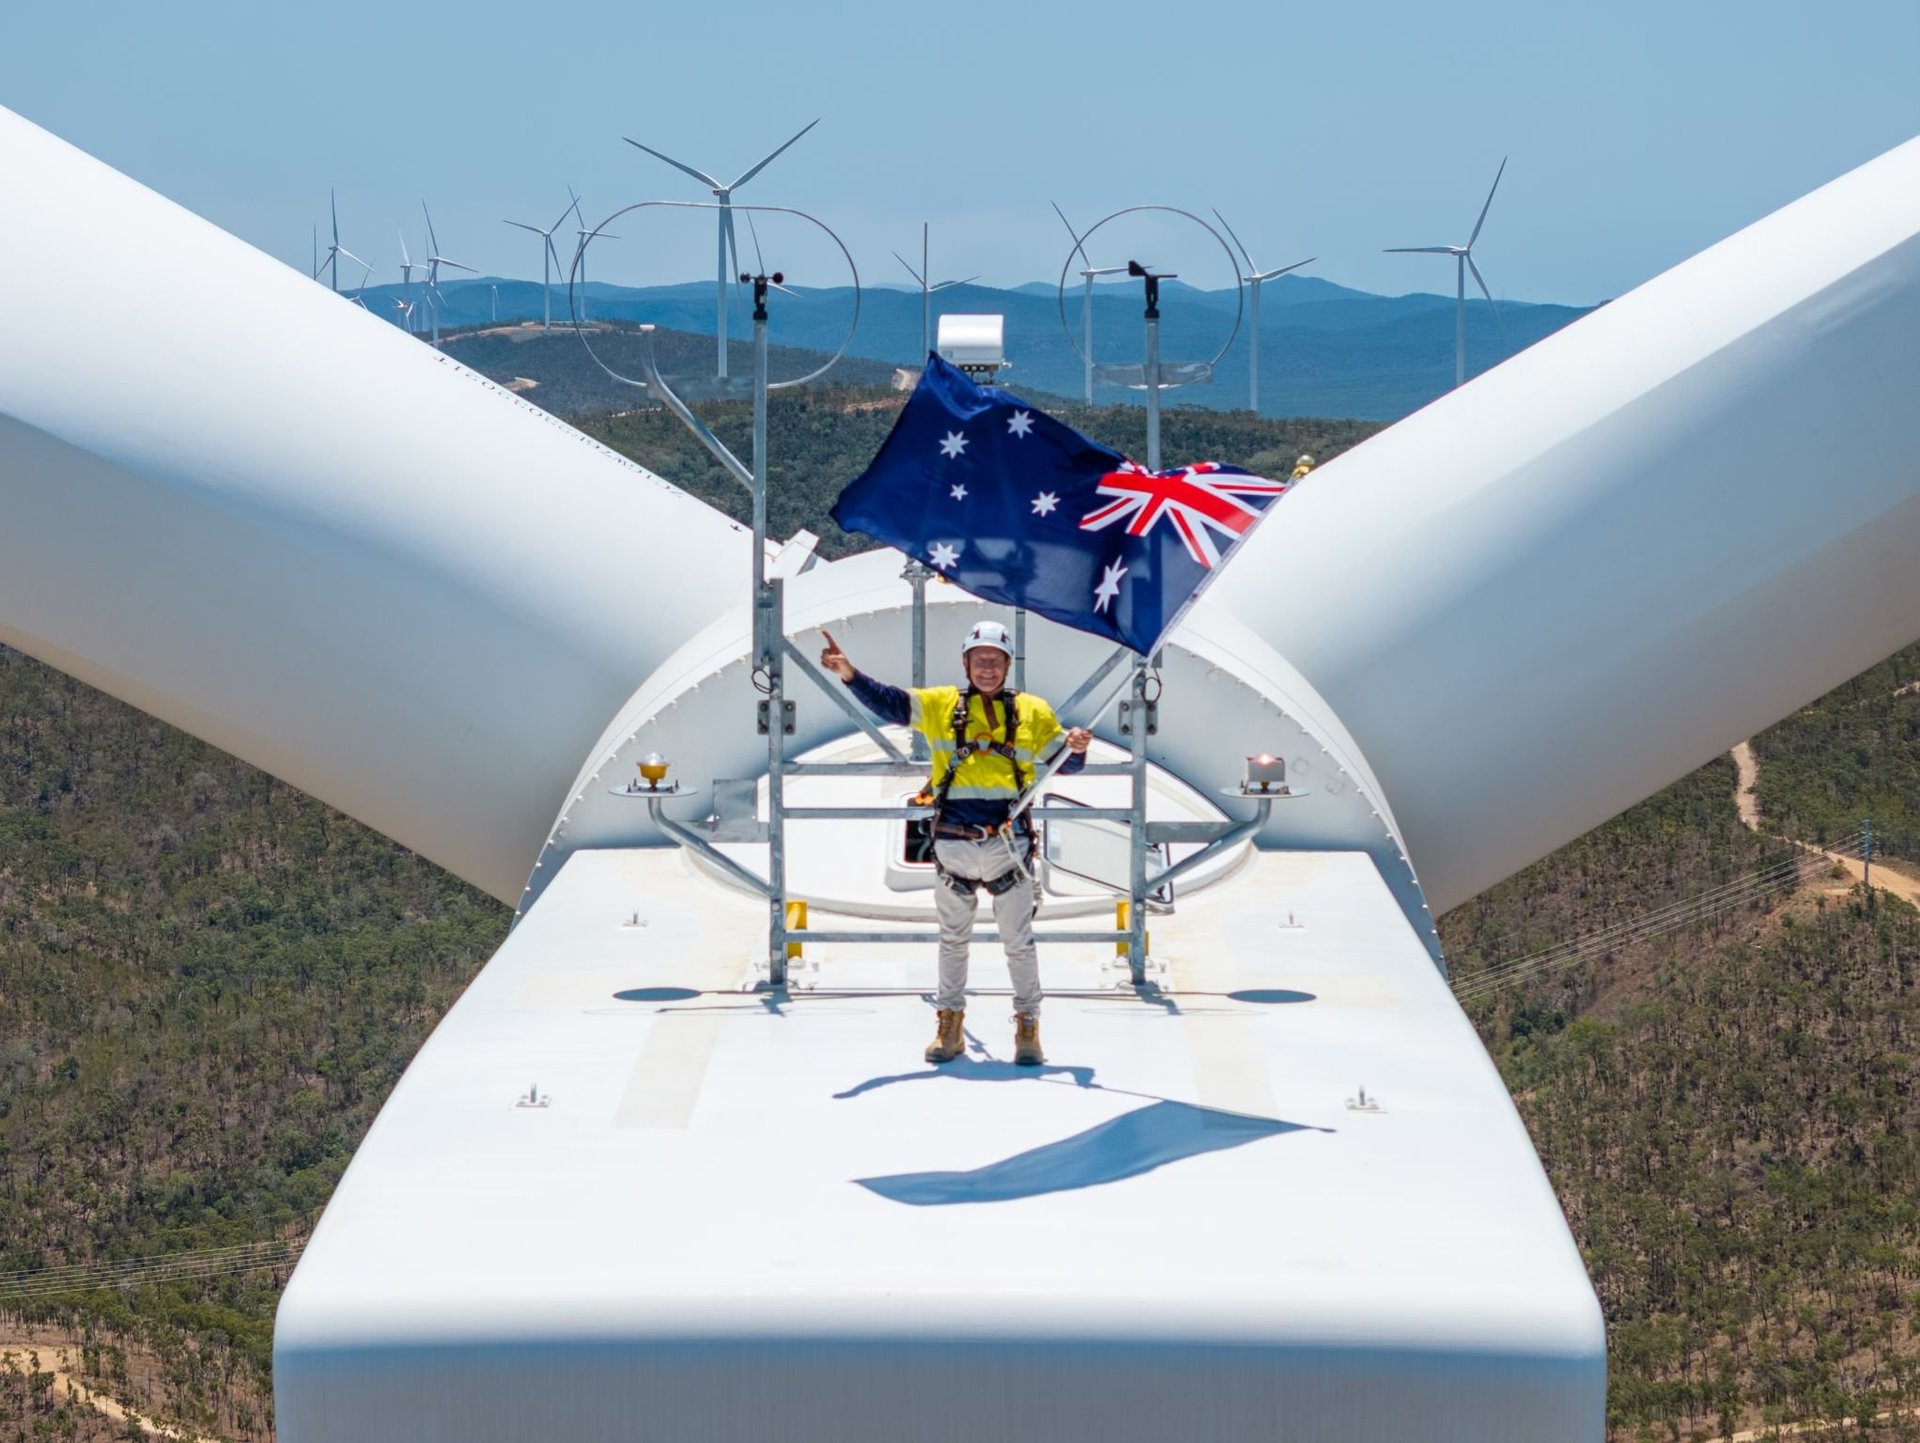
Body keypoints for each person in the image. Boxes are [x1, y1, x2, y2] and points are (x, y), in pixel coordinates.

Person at [819, 621, 1091, 1067]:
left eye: (996, 661)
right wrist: (850, 674)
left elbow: (1069, 766)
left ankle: (1028, 1027)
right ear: (966, 664)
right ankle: (950, 1026)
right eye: (980, 660)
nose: (988, 668)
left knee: (1019, 943)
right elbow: (891, 703)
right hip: (954, 844)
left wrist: (1076, 747)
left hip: (1008, 847)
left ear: (1008, 665)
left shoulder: (1033, 711)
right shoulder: (941, 704)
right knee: (952, 941)